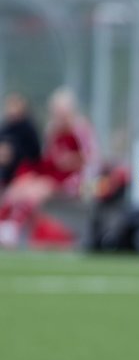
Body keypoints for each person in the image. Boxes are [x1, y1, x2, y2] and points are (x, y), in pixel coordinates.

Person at [0, 88, 95, 248]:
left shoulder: (79, 129)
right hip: (53, 177)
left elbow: (90, 158)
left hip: (73, 180)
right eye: (55, 112)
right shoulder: (53, 131)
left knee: (34, 192)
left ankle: (13, 229)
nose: (58, 116)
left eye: (61, 112)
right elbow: (47, 161)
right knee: (19, 187)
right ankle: (5, 223)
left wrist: (70, 160)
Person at [0, 93, 42, 188]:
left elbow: (35, 154)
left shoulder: (28, 128)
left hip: (23, 169)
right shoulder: (5, 127)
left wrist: (13, 154)